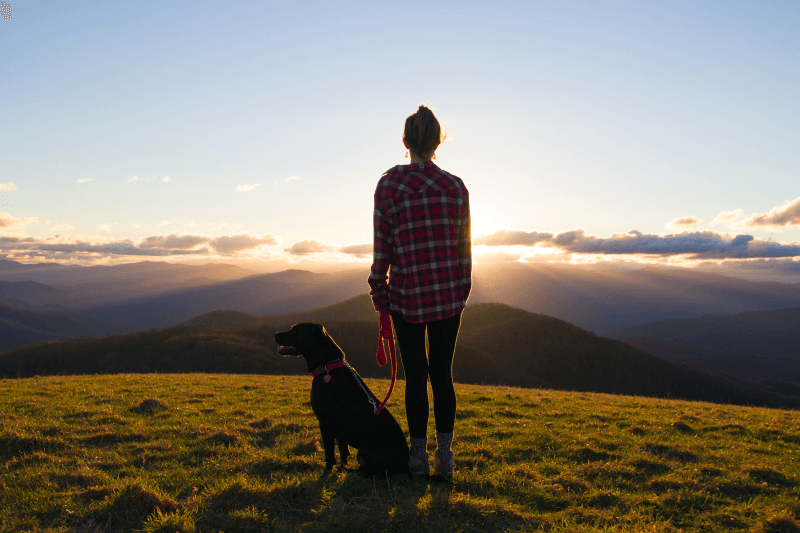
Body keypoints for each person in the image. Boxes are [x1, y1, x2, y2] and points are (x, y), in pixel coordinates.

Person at [368, 105, 472, 479]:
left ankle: (418, 457)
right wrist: (460, 293)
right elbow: (465, 252)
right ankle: (445, 458)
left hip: (407, 297)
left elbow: (383, 253)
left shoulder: (390, 186)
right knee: (443, 375)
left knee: (416, 377)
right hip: (448, 297)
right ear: (437, 142)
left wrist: (381, 297)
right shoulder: (455, 187)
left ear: (406, 141)